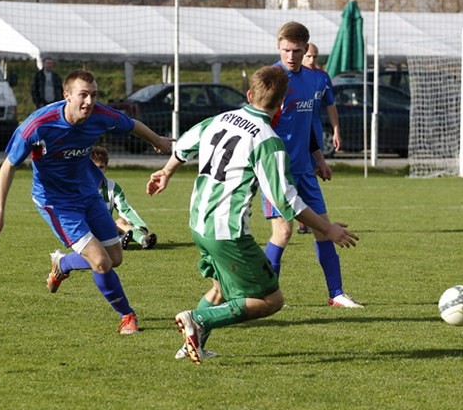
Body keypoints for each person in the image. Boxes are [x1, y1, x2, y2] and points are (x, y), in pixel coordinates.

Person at [146, 66, 359, 364]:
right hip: (228, 232)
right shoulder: (268, 141)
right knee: (271, 300)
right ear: (282, 104)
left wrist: (166, 172)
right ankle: (198, 319)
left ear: (249, 94)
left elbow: (182, 146)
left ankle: (192, 345)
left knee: (220, 289)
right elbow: (286, 201)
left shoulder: (219, 119)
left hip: (198, 223)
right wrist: (328, 228)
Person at [0, 69, 172, 335]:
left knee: (115, 258)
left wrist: (157, 141)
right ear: (67, 95)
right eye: (83, 95)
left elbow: (131, 124)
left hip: (87, 194)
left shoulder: (100, 115)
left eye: (94, 95)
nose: (89, 102)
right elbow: (8, 166)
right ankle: (127, 316)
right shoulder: (38, 125)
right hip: (57, 203)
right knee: (101, 262)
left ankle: (64, 263)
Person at [264, 21, 362, 308]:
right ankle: (267, 296)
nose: (291, 56)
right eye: (285, 50)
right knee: (283, 232)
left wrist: (319, 158)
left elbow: (306, 126)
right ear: (278, 47)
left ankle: (337, 294)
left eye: (296, 51)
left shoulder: (315, 80)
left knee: (323, 228)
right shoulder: (270, 80)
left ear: (306, 49)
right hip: (276, 171)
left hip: (305, 169)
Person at [297, 42, 342, 235]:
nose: (311, 60)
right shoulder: (293, 77)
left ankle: (308, 219)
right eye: (308, 56)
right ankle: (302, 219)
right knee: (296, 172)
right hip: (296, 133)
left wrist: (336, 130)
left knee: (312, 172)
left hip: (313, 133)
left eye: (315, 56)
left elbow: (330, 105)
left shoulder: (322, 77)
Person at [90, 145, 157, 250]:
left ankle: (143, 240)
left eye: (101, 167)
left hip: (107, 229)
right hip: (86, 231)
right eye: (94, 168)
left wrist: (141, 226)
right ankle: (120, 241)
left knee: (121, 222)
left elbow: (125, 210)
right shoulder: (80, 187)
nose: (98, 171)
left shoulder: (112, 187)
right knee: (112, 224)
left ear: (106, 168)